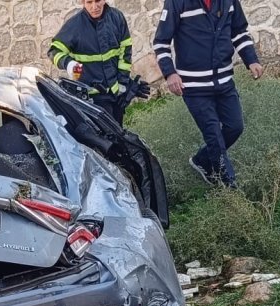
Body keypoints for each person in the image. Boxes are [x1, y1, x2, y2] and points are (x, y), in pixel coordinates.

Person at [152, 0, 264, 188]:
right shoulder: (176, 3)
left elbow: (239, 33)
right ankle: (229, 188)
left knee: (235, 127)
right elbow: (161, 42)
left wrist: (251, 60)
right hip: (194, 87)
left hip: (224, 82)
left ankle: (201, 161)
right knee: (214, 136)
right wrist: (170, 73)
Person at [48, 0, 134, 123]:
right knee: (105, 139)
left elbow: (125, 50)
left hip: (116, 92)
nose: (95, 6)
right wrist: (68, 64)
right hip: (92, 97)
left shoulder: (117, 18)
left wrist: (123, 82)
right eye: (89, 2)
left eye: (98, 1)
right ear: (82, 2)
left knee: (119, 133)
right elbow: (54, 51)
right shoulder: (74, 25)